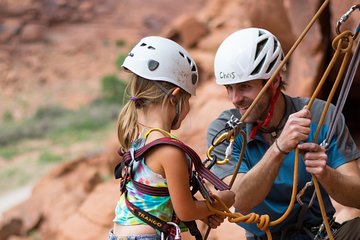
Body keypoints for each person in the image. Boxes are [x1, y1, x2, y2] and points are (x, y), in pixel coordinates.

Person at [206, 27, 360, 240]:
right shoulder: (225, 131)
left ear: (274, 81)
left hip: (321, 233)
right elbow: (239, 198)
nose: (234, 98)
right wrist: (279, 149)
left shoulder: (320, 116)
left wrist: (326, 174)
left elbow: (358, 195)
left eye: (243, 87)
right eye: (229, 88)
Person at [110, 36, 235, 240]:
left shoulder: (138, 137)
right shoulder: (170, 151)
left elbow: (158, 194)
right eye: (187, 101)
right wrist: (221, 201)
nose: (187, 109)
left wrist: (202, 213)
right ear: (174, 97)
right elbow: (186, 211)